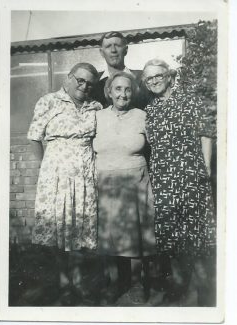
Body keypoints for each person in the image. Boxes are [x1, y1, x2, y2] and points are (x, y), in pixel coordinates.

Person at [142, 58, 216, 306]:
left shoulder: (191, 101)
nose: (153, 81)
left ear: (169, 76)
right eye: (148, 78)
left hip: (191, 176)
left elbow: (205, 133)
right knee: (170, 238)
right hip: (163, 180)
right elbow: (153, 145)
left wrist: (205, 168)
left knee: (196, 237)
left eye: (157, 76)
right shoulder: (150, 110)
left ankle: (201, 291)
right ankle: (180, 288)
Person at [27, 62, 103, 305]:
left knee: (81, 225)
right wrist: (45, 167)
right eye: (80, 80)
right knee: (57, 226)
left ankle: (79, 280)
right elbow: (34, 137)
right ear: (69, 78)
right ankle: (63, 280)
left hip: (85, 174)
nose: (84, 86)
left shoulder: (96, 106)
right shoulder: (49, 101)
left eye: (90, 83)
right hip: (56, 173)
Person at [93, 71, 156, 305]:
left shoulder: (142, 116)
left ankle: (137, 283)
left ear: (133, 93)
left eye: (128, 89)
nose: (123, 94)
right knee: (107, 233)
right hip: (105, 181)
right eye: (118, 89)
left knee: (135, 234)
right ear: (109, 92)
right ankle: (113, 282)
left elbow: (156, 146)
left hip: (135, 179)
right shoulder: (96, 116)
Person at [91, 31, 147, 108]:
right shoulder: (94, 82)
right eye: (108, 46)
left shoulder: (141, 78)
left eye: (117, 45)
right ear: (101, 52)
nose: (113, 50)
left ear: (126, 50)